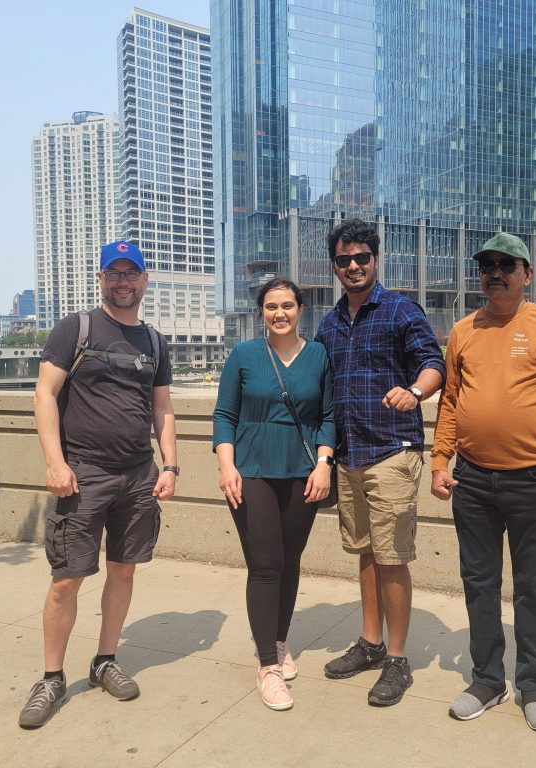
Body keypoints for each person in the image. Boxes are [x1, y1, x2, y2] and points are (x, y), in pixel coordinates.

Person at [19, 241, 176, 729]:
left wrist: (169, 465)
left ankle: (105, 659)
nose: (123, 281)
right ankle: (50, 677)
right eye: (115, 273)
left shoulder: (153, 341)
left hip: (137, 475)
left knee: (123, 572)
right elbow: (45, 393)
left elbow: (162, 408)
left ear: (145, 280)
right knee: (67, 579)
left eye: (132, 273)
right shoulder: (76, 328)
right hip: (82, 474)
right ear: (102, 278)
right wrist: (55, 462)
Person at [430, 232, 536, 731]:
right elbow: (450, 401)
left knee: (532, 587)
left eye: (507, 265)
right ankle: (488, 679)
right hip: (472, 482)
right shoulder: (462, 330)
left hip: (535, 482)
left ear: (527, 274)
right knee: (479, 584)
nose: (495, 272)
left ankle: (533, 683)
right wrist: (439, 462)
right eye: (487, 265)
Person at [315, 218, 445, 707]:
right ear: (335, 266)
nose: (353, 266)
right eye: (345, 260)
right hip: (349, 455)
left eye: (362, 258)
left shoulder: (399, 310)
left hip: (392, 451)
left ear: (375, 259)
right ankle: (369, 643)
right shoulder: (329, 323)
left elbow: (435, 364)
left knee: (392, 558)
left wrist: (414, 392)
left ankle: (396, 657)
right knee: (366, 553)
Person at [212, 277, 336, 711]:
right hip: (252, 472)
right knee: (265, 566)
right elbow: (225, 414)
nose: (279, 313)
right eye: (270, 306)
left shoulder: (319, 355)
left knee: (289, 561)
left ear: (301, 309)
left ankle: (279, 641)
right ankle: (267, 666)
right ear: (260, 312)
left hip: (304, 474)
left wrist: (324, 464)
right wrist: (227, 466)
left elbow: (328, 416)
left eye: (287, 305)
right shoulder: (244, 355)